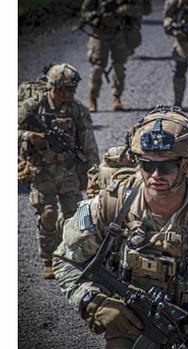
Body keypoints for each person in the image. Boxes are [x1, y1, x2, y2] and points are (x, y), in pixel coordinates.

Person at [53, 105, 188, 349]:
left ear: (187, 164)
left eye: (166, 166)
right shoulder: (111, 206)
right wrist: (92, 301)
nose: (155, 175)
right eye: (147, 165)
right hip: (128, 334)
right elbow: (66, 259)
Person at [18, 63, 100, 279]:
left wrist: (94, 176)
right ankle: (48, 259)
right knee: (48, 214)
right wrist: (30, 137)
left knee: (75, 215)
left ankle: (70, 256)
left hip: (68, 170)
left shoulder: (77, 110)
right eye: (69, 89)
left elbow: (89, 145)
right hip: (41, 171)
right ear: (57, 87)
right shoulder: (34, 106)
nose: (72, 94)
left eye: (73, 89)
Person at [80, 0, 148, 111]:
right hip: (100, 33)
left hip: (120, 32)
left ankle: (117, 98)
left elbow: (143, 10)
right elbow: (85, 12)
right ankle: (93, 99)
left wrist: (124, 10)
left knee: (119, 66)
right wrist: (94, 18)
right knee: (97, 67)